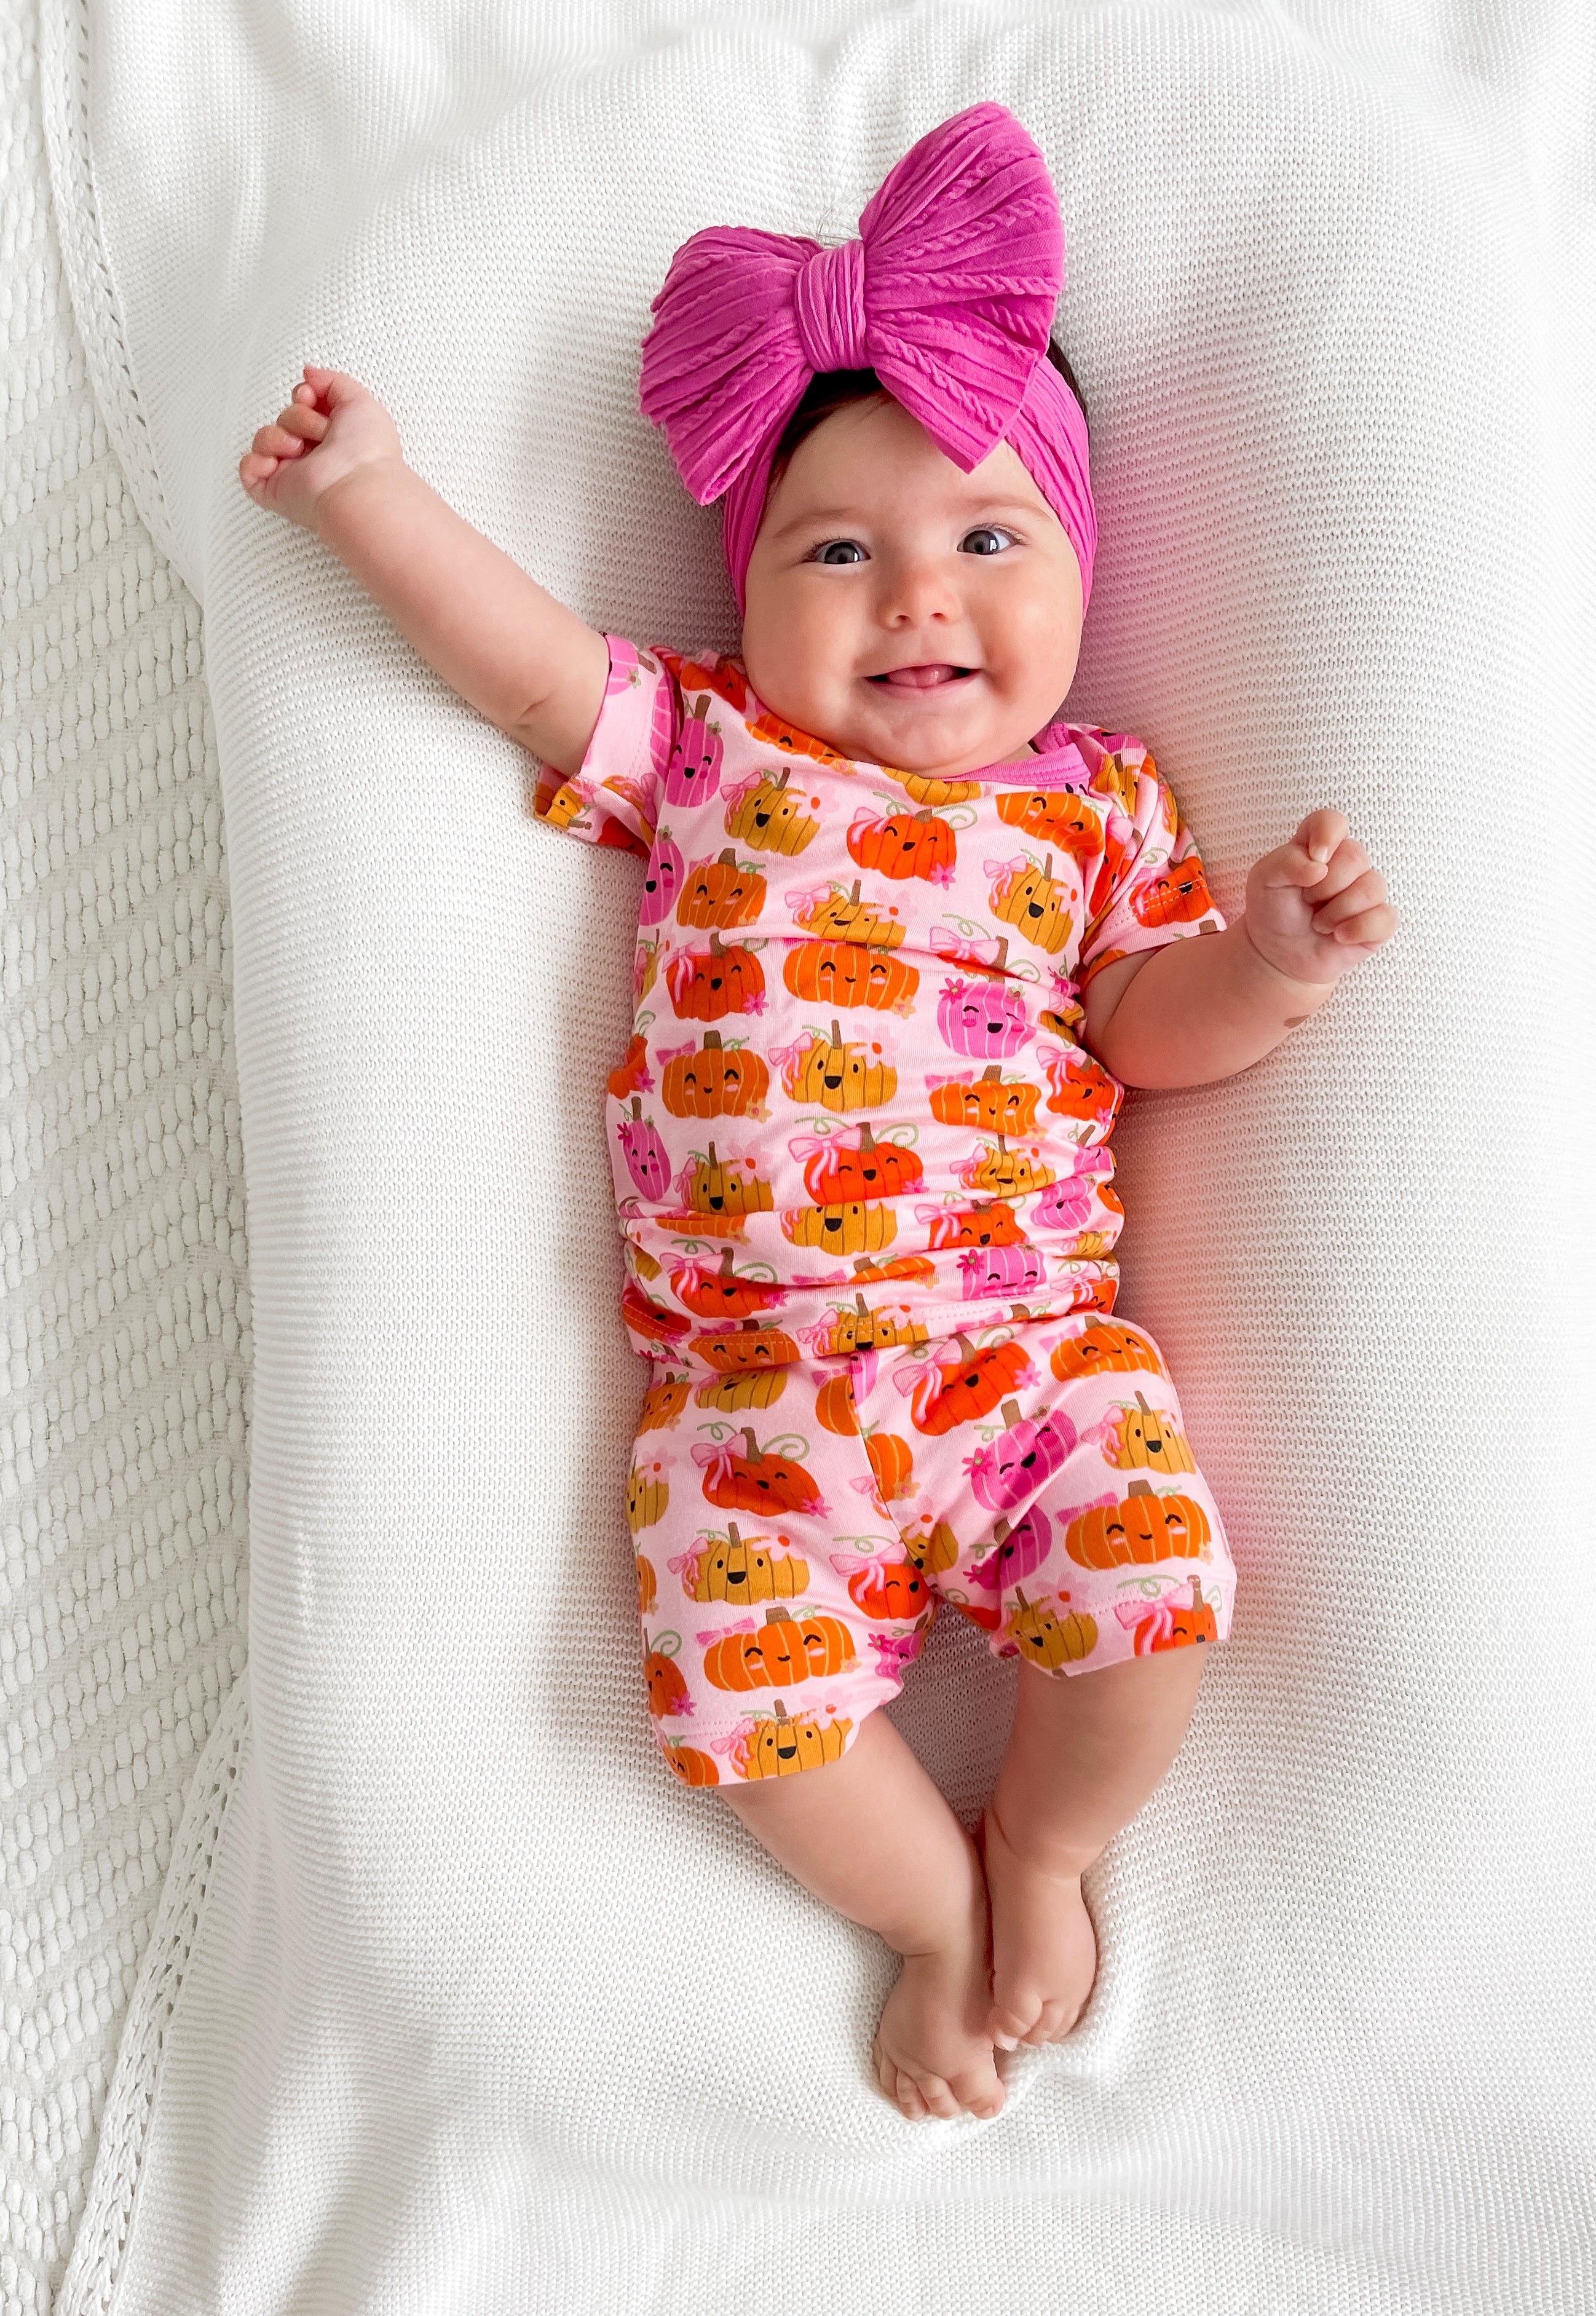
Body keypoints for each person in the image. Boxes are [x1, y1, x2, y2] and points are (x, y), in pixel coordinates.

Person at [239, 101, 1396, 2127]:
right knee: (749, 1711)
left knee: (1150, 1610)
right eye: (837, 551)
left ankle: (1042, 1848)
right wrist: (373, 496)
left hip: (1025, 1364)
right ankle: (942, 1921)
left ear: (1078, 576)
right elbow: (521, 670)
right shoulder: (708, 748)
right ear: (750, 592)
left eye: (986, 541)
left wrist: (1276, 961)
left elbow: (1149, 1024)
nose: (915, 600)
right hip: (753, 1409)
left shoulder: (1092, 807)